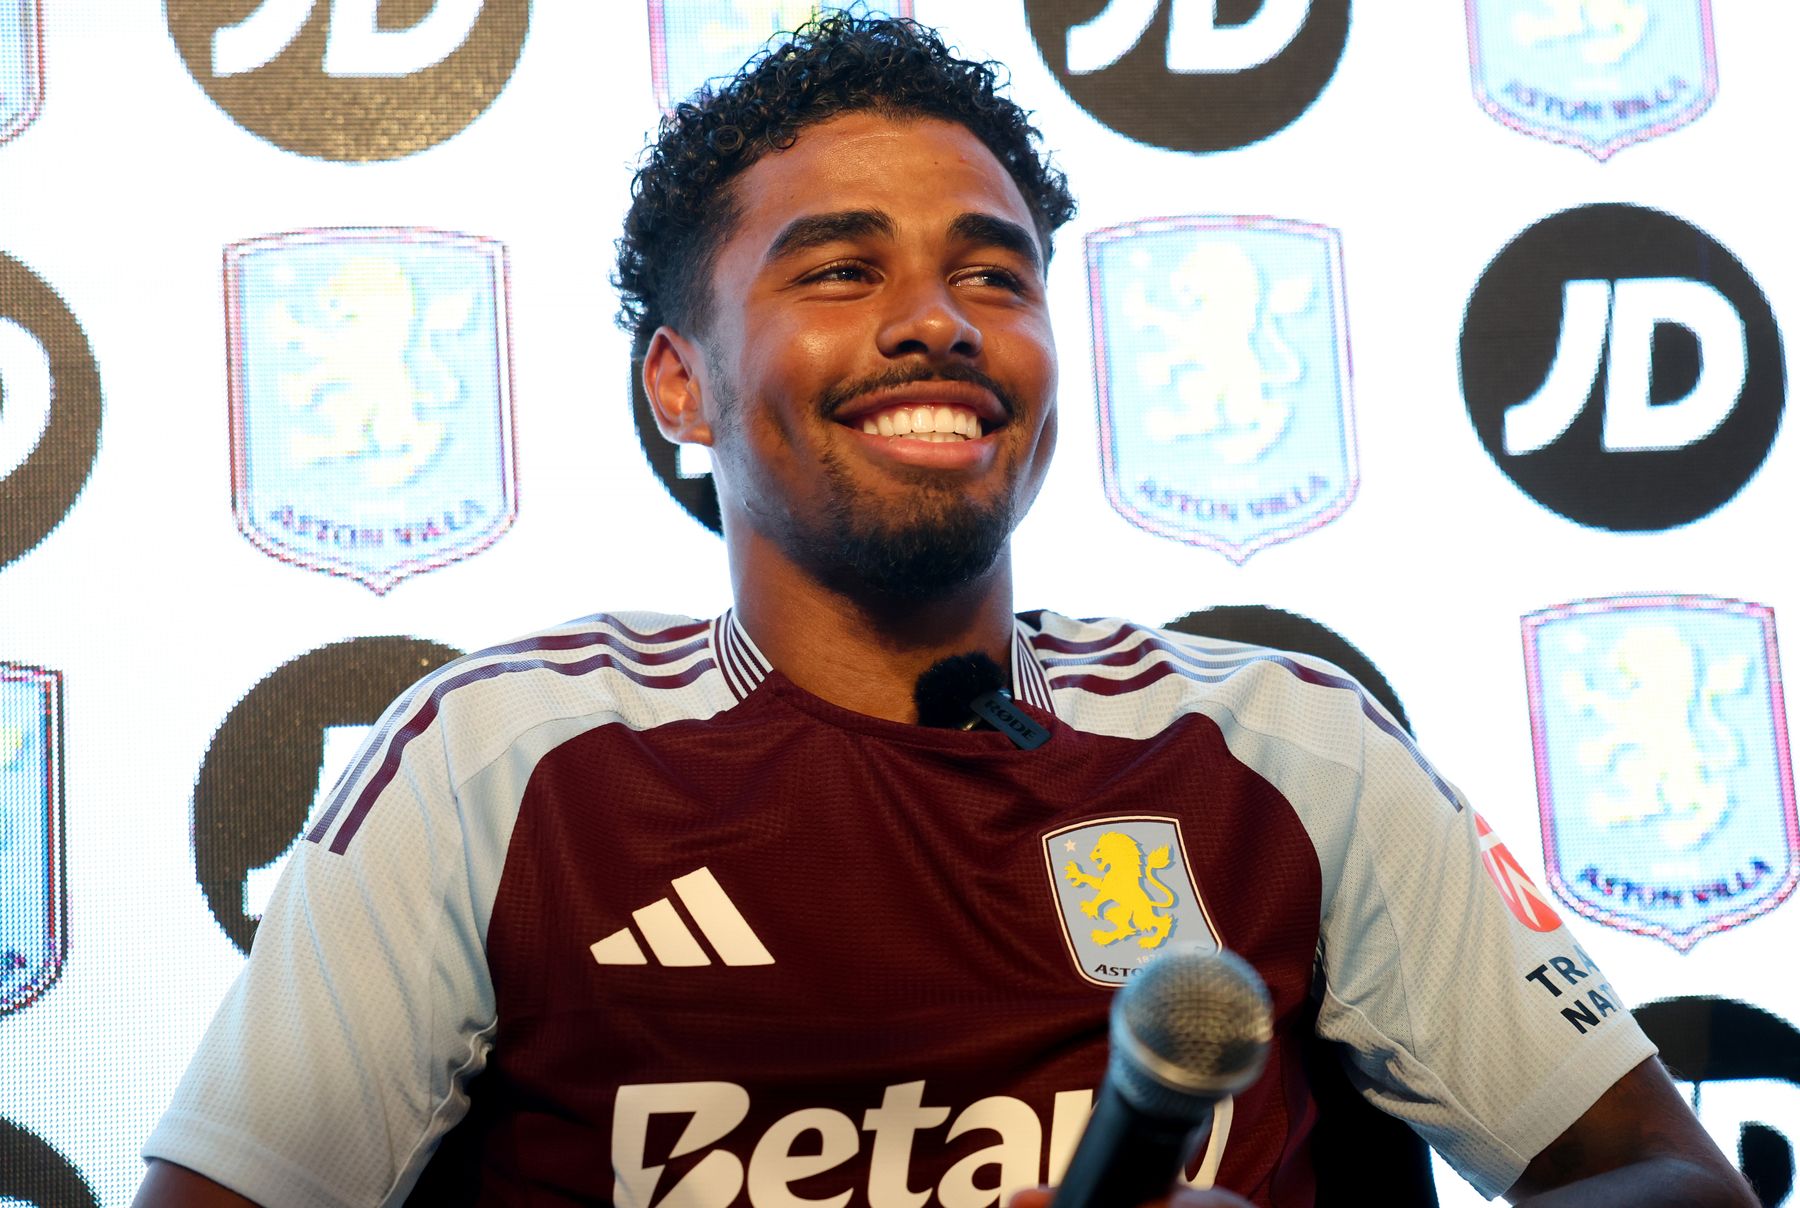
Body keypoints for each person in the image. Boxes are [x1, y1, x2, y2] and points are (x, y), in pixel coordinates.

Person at [137, 14, 1754, 1208]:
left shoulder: (1283, 748)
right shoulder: (492, 767)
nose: (938, 324)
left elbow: (1670, 1188)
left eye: (995, 276)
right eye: (839, 272)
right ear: (678, 382)